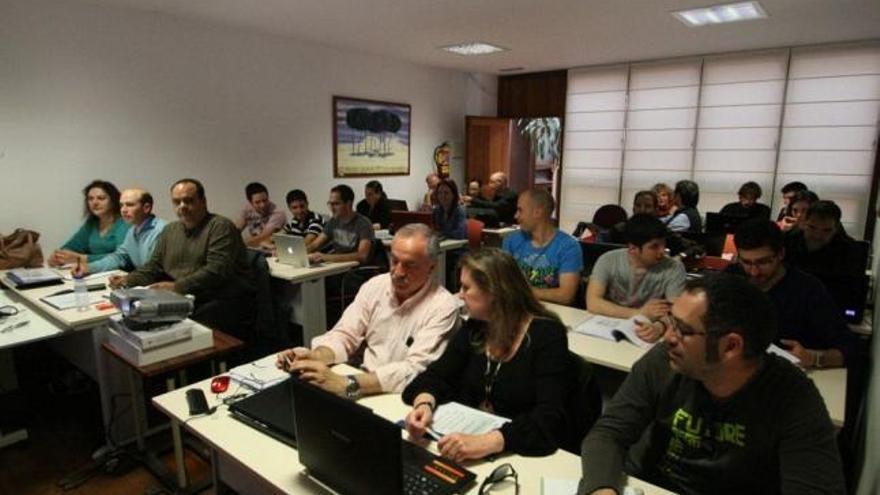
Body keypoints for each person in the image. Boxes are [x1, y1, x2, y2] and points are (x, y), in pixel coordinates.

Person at [579, 274, 845, 495]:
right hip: (650, 484)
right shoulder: (664, 360)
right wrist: (602, 489)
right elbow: (610, 431)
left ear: (730, 346)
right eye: (670, 322)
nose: (669, 337)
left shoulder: (791, 395)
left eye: (682, 329)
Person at [403, 248, 571, 462]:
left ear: (494, 292)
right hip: (469, 448)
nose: (460, 295)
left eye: (466, 287)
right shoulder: (475, 327)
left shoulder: (547, 335)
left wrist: (489, 442)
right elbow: (435, 376)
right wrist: (424, 404)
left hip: (521, 454)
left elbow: (549, 418)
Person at [276, 224, 459, 396]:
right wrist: (316, 356)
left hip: (403, 396)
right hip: (364, 383)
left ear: (432, 268)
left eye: (410, 265)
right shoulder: (376, 286)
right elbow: (346, 333)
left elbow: (414, 371)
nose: (398, 272)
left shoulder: (443, 307)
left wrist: (348, 384)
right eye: (394, 261)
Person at [111, 179, 255, 335]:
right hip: (184, 297)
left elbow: (216, 271)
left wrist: (177, 287)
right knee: (131, 321)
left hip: (219, 299)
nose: (182, 206)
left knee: (159, 331)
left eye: (189, 201)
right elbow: (154, 266)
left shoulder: (220, 226)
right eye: (177, 202)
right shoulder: (170, 230)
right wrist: (129, 279)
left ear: (203, 201)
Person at [728, 219, 855, 368]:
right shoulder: (731, 278)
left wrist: (814, 358)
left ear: (781, 254)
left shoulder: (807, 289)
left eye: (763, 262)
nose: (754, 272)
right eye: (747, 262)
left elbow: (850, 350)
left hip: (786, 372)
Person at [586, 214, 685, 334]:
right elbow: (593, 302)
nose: (662, 251)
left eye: (663, 244)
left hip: (650, 329)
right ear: (633, 249)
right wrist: (639, 313)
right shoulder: (608, 260)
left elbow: (676, 312)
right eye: (654, 247)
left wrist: (659, 327)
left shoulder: (673, 267)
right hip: (610, 326)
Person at [503, 188, 582, 305]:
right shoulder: (511, 240)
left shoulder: (569, 246)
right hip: (517, 307)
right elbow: (502, 283)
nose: (516, 216)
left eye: (520, 210)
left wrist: (520, 291)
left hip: (553, 312)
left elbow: (566, 295)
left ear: (537, 212)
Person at [80, 189, 167, 274]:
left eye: (129, 205)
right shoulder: (132, 231)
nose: (123, 210)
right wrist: (89, 267)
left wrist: (127, 280)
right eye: (121, 205)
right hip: (144, 282)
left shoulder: (161, 230)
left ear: (146, 208)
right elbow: (119, 257)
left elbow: (153, 269)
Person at [49, 180, 129, 266]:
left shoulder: (124, 223)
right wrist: (59, 256)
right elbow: (72, 246)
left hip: (119, 274)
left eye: (101, 198)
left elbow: (122, 258)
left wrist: (82, 258)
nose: (94, 203)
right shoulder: (92, 223)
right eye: (90, 199)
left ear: (113, 201)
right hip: (94, 274)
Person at [783, 200, 862, 276]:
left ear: (836, 228)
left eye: (827, 230)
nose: (817, 236)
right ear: (804, 223)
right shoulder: (787, 241)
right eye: (812, 227)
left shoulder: (848, 249)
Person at [309, 184, 375, 265]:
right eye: (330, 204)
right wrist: (301, 253)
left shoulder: (363, 223)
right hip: (337, 266)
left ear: (348, 204)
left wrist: (325, 257)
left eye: (336, 204)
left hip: (354, 270)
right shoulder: (333, 221)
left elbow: (362, 255)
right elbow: (315, 244)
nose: (332, 208)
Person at [234, 182, 287, 248]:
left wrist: (238, 244)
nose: (262, 205)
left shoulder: (278, 213)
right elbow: (235, 230)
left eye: (265, 200)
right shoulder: (247, 210)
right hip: (256, 249)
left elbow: (263, 237)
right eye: (257, 202)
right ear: (250, 202)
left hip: (273, 250)